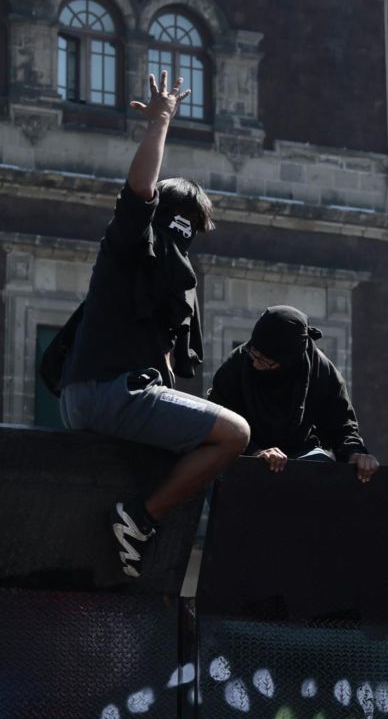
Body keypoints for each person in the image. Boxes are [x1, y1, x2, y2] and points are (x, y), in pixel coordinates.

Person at [56, 71, 250, 578]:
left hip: (96, 396)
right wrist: (161, 119)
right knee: (234, 434)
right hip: (108, 394)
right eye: (185, 227)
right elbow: (140, 189)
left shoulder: (170, 286)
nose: (185, 242)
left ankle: (137, 529)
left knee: (190, 440)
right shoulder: (129, 245)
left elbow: (167, 366)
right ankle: (140, 517)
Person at [207, 305, 379, 482]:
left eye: (265, 361)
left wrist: (355, 453)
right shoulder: (237, 366)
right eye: (254, 354)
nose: (255, 364)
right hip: (245, 449)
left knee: (320, 469)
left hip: (301, 450)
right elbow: (217, 423)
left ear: (288, 361)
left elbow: (342, 425)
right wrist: (255, 451)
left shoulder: (321, 370)